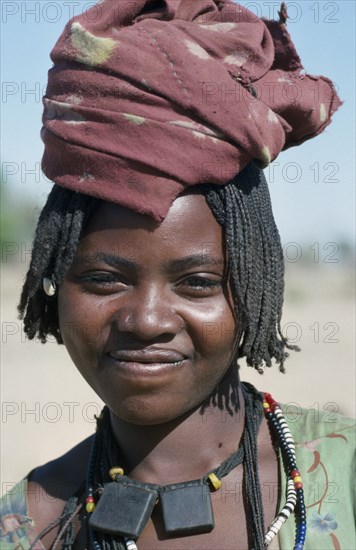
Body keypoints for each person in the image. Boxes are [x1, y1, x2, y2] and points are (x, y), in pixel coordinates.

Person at [1, 1, 354, 549]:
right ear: (54, 285)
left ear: (255, 289)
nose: (146, 321)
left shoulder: (344, 475)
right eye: (102, 280)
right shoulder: (29, 528)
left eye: (197, 283)